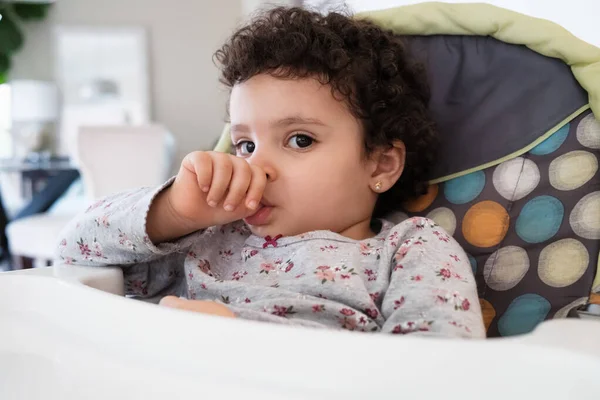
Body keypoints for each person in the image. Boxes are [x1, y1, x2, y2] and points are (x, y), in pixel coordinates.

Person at [56, 7, 485, 338]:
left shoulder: (408, 249)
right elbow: (76, 250)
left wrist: (242, 339)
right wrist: (177, 212)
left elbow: (435, 365)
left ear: (381, 164)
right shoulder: (211, 239)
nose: (255, 165)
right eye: (244, 144)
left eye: (300, 140)